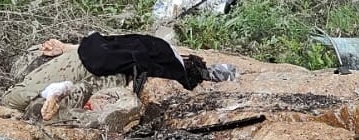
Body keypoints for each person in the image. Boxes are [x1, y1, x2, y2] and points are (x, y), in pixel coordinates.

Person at [0, 32, 211, 123]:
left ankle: (51, 94)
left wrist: (67, 48)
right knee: (51, 103)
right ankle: (52, 95)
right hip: (113, 77)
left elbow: (113, 43)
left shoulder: (159, 45)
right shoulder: (173, 70)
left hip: (87, 58)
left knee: (11, 100)